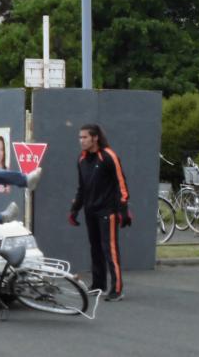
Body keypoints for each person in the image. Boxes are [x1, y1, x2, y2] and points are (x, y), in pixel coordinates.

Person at [68, 124, 131, 302]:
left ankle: (117, 289)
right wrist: (75, 210)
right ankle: (98, 285)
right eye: (80, 138)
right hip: (90, 211)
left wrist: (123, 210)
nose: (81, 141)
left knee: (109, 249)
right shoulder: (81, 160)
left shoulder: (109, 156)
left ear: (95, 138)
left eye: (85, 137)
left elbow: (121, 184)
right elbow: (82, 188)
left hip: (107, 211)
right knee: (95, 248)